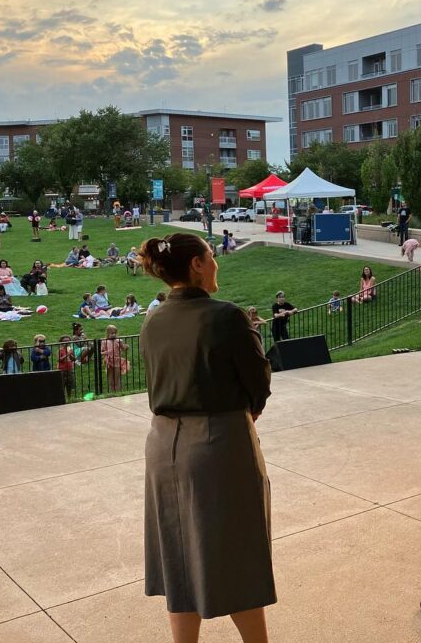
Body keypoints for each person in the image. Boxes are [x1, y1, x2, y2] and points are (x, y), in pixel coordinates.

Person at [139, 232, 275, 643]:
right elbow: (258, 384)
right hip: (218, 441)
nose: (217, 263)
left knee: (179, 556)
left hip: (162, 446)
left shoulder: (153, 318)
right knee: (237, 552)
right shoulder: (226, 316)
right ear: (197, 264)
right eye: (211, 256)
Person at [101, 325, 129, 392]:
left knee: (117, 378)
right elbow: (101, 352)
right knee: (111, 379)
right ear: (107, 333)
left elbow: (123, 349)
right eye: (112, 333)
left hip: (117, 361)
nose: (113, 335)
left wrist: (126, 347)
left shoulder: (118, 340)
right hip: (109, 362)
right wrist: (107, 352)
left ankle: (118, 392)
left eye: (115, 333)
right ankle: (112, 393)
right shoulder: (104, 341)